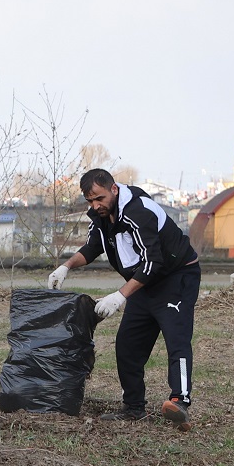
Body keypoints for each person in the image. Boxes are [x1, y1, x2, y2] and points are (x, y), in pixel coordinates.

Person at [47, 168, 200, 429]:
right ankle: (133, 407)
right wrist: (66, 266)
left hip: (176, 278)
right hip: (143, 282)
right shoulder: (101, 215)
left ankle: (179, 402)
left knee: (177, 339)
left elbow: (154, 262)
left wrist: (120, 296)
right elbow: (93, 246)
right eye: (90, 201)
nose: (95, 206)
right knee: (128, 344)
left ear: (114, 189)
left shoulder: (138, 212)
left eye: (100, 198)